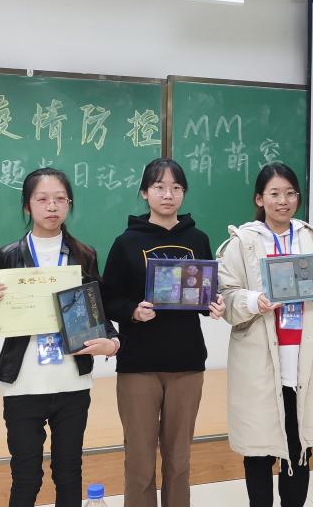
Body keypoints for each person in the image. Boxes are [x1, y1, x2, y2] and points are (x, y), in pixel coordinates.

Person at [0, 167, 120, 507]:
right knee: (26, 475)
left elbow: (98, 312)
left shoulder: (84, 255)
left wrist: (113, 343)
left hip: (71, 381)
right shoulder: (7, 256)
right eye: (42, 199)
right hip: (23, 383)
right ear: (27, 205)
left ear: (69, 204)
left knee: (69, 472)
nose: (52, 206)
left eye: (60, 199)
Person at [216, 162, 313, 507]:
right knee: (258, 451)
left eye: (290, 193)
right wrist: (253, 301)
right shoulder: (241, 243)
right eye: (274, 194)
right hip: (258, 364)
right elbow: (227, 300)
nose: (283, 201)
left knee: (300, 448)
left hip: (304, 362)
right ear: (260, 199)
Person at [100, 158, 225, 507]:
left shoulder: (198, 239)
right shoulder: (126, 242)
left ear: (183, 193)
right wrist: (132, 311)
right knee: (139, 462)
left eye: (176, 188)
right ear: (145, 192)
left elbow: (204, 293)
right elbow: (107, 299)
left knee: (179, 460)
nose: (168, 195)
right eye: (159, 187)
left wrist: (215, 305)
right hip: (138, 365)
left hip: (187, 362)